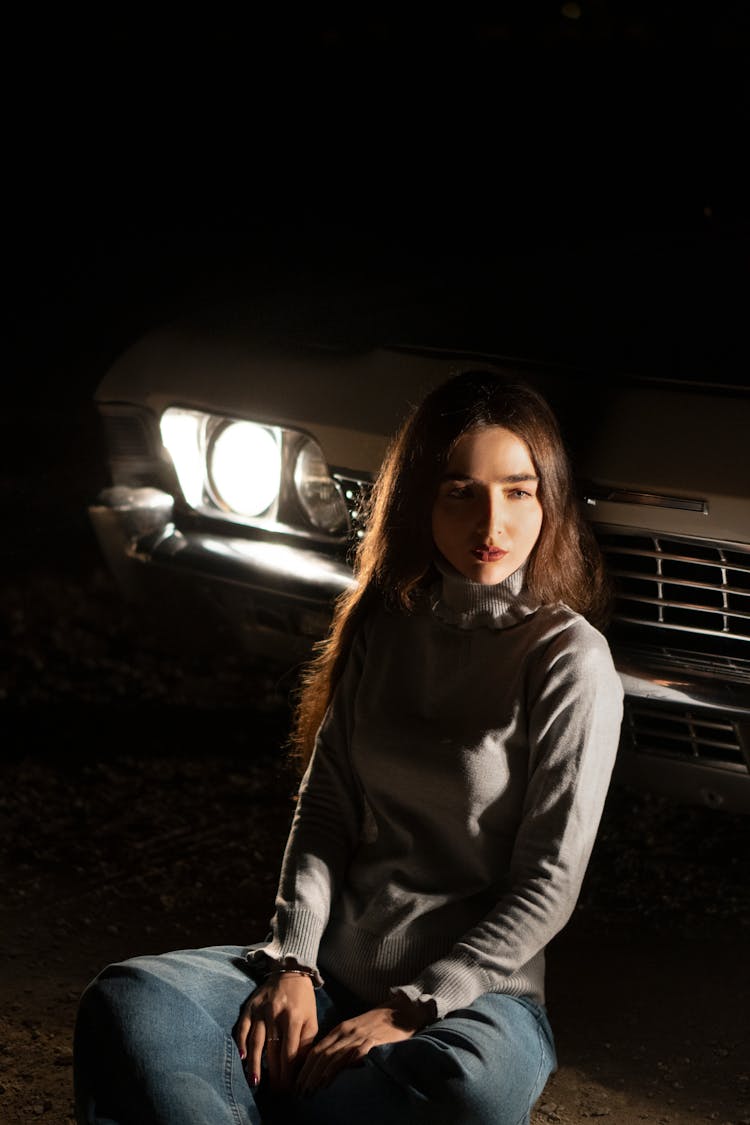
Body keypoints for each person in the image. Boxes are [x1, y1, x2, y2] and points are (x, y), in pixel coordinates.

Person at [74, 370, 624, 1125]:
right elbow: (326, 807)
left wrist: (416, 1006)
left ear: (548, 498)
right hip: (330, 974)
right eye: (460, 490)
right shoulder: (385, 628)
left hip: (473, 1002)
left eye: (518, 490)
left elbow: (549, 881)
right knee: (131, 997)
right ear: (419, 498)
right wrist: (293, 962)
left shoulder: (569, 658)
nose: (490, 521)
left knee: (470, 1087)